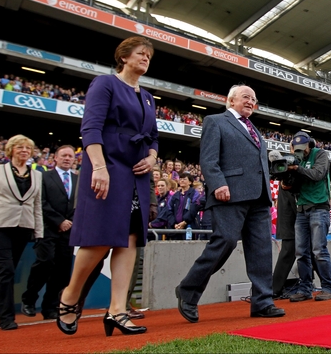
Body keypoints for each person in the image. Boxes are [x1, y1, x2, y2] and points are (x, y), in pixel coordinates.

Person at [56, 36, 158, 337]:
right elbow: (90, 127)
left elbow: (153, 136)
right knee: (101, 238)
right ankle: (71, 295)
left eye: (149, 56)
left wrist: (152, 157)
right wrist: (99, 167)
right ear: (124, 57)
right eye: (141, 53)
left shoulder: (149, 96)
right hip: (107, 168)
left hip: (137, 174)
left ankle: (117, 310)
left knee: (129, 239)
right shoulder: (105, 84)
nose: (146, 59)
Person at [176, 84, 284, 322]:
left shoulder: (254, 129)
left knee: (262, 251)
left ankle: (262, 302)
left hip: (259, 198)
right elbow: (208, 158)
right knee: (223, 243)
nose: (251, 101)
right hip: (229, 194)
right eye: (246, 96)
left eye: (254, 98)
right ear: (231, 100)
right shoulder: (216, 121)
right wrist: (218, 184)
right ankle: (189, 291)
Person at [0, 135, 43, 330]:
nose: (24, 151)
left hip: (23, 227)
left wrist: (39, 232)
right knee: (5, 270)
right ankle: (6, 318)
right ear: (11, 150)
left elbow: (37, 205)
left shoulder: (37, 174)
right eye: (20, 147)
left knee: (3, 273)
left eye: (27, 148)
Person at [21, 145, 77, 320]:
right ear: (55, 158)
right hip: (48, 229)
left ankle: (50, 307)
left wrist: (71, 222)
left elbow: (80, 204)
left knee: (62, 271)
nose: (67, 158)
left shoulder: (78, 180)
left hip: (69, 232)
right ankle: (29, 300)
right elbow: (40, 202)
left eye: (70, 156)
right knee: (44, 263)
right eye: (64, 155)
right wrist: (59, 221)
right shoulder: (44, 177)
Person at [287, 131, 331, 302]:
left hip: (319, 207)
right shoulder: (295, 160)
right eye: (297, 149)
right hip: (301, 208)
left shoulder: (320, 154)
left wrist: (297, 168)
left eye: (303, 148)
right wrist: (287, 176)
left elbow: (318, 175)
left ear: (310, 145)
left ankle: (329, 288)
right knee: (301, 252)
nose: (302, 151)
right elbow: (293, 187)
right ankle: (305, 289)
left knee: (319, 250)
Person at [165, 172, 201, 239]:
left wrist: (185, 222)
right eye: (180, 179)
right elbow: (169, 209)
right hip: (176, 228)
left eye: (184, 179)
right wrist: (174, 224)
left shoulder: (195, 193)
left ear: (190, 182)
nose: (181, 180)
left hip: (189, 227)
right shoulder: (175, 195)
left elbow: (194, 208)